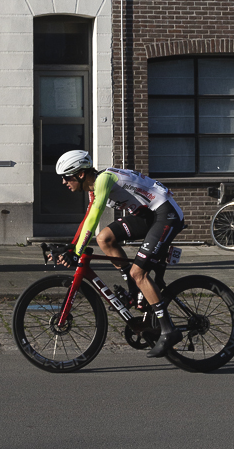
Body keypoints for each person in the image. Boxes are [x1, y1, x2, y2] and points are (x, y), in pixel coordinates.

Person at [54, 150, 185, 358]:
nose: (63, 182)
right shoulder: (94, 187)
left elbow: (95, 215)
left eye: (66, 177)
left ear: (80, 174)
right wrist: (72, 247)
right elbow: (87, 219)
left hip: (165, 214)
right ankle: (134, 290)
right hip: (147, 215)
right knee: (104, 239)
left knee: (138, 272)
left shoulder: (103, 180)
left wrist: (77, 251)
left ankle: (169, 331)